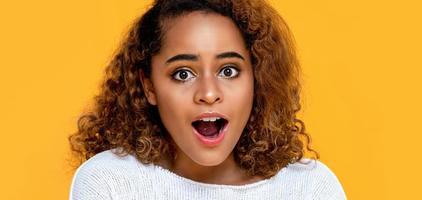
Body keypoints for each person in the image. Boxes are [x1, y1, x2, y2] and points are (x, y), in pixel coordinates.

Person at [68, 0, 346, 199]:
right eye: (183, 74)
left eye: (228, 70)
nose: (209, 94)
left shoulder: (310, 188)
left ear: (256, 79)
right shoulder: (109, 182)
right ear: (148, 86)